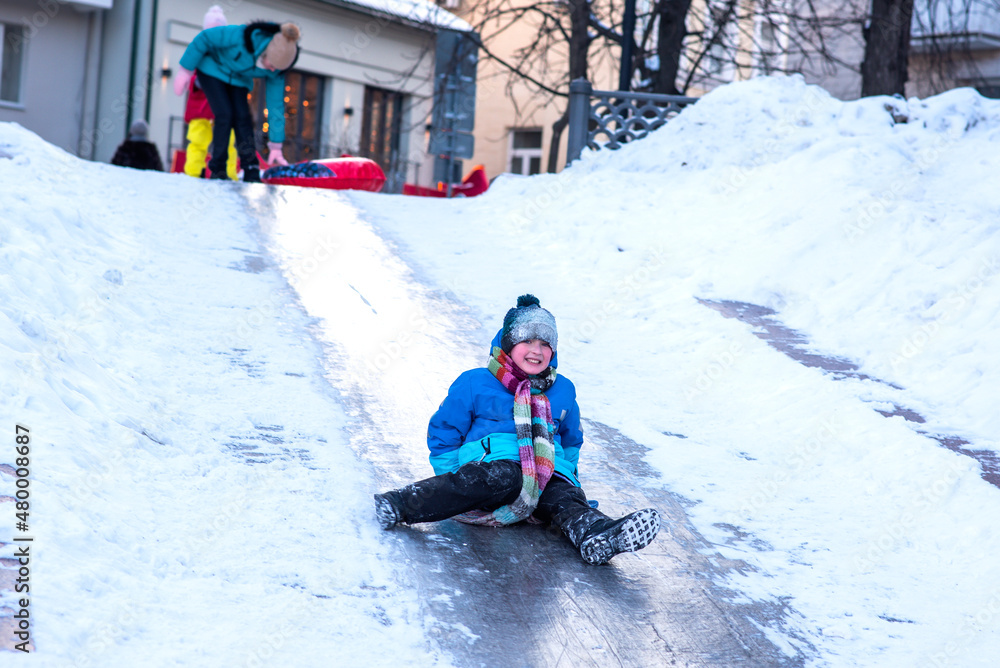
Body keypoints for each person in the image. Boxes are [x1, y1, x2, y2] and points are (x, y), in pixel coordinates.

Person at [374, 295, 661, 565]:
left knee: (565, 499)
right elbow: (445, 430)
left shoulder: (563, 389)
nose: (537, 350)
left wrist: (566, 473)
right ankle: (401, 503)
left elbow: (571, 438)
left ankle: (597, 535)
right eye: (527, 340)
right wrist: (452, 475)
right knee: (489, 480)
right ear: (509, 343)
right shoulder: (476, 382)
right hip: (492, 465)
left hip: (546, 471)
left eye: (545, 344)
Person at [174, 19, 300, 182]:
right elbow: (204, 38)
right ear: (267, 52)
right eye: (273, 64)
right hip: (212, 69)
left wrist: (276, 144)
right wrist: (186, 69)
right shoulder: (240, 36)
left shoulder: (276, 71)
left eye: (278, 68)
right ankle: (218, 169)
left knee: (243, 118)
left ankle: (251, 170)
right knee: (225, 114)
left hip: (239, 79)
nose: (273, 69)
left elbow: (275, 106)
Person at [181, 5, 237, 180]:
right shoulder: (199, 50)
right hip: (201, 106)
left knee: (227, 142)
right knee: (198, 141)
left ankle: (227, 174)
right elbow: (190, 72)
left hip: (222, 106)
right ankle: (193, 173)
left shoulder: (228, 53)